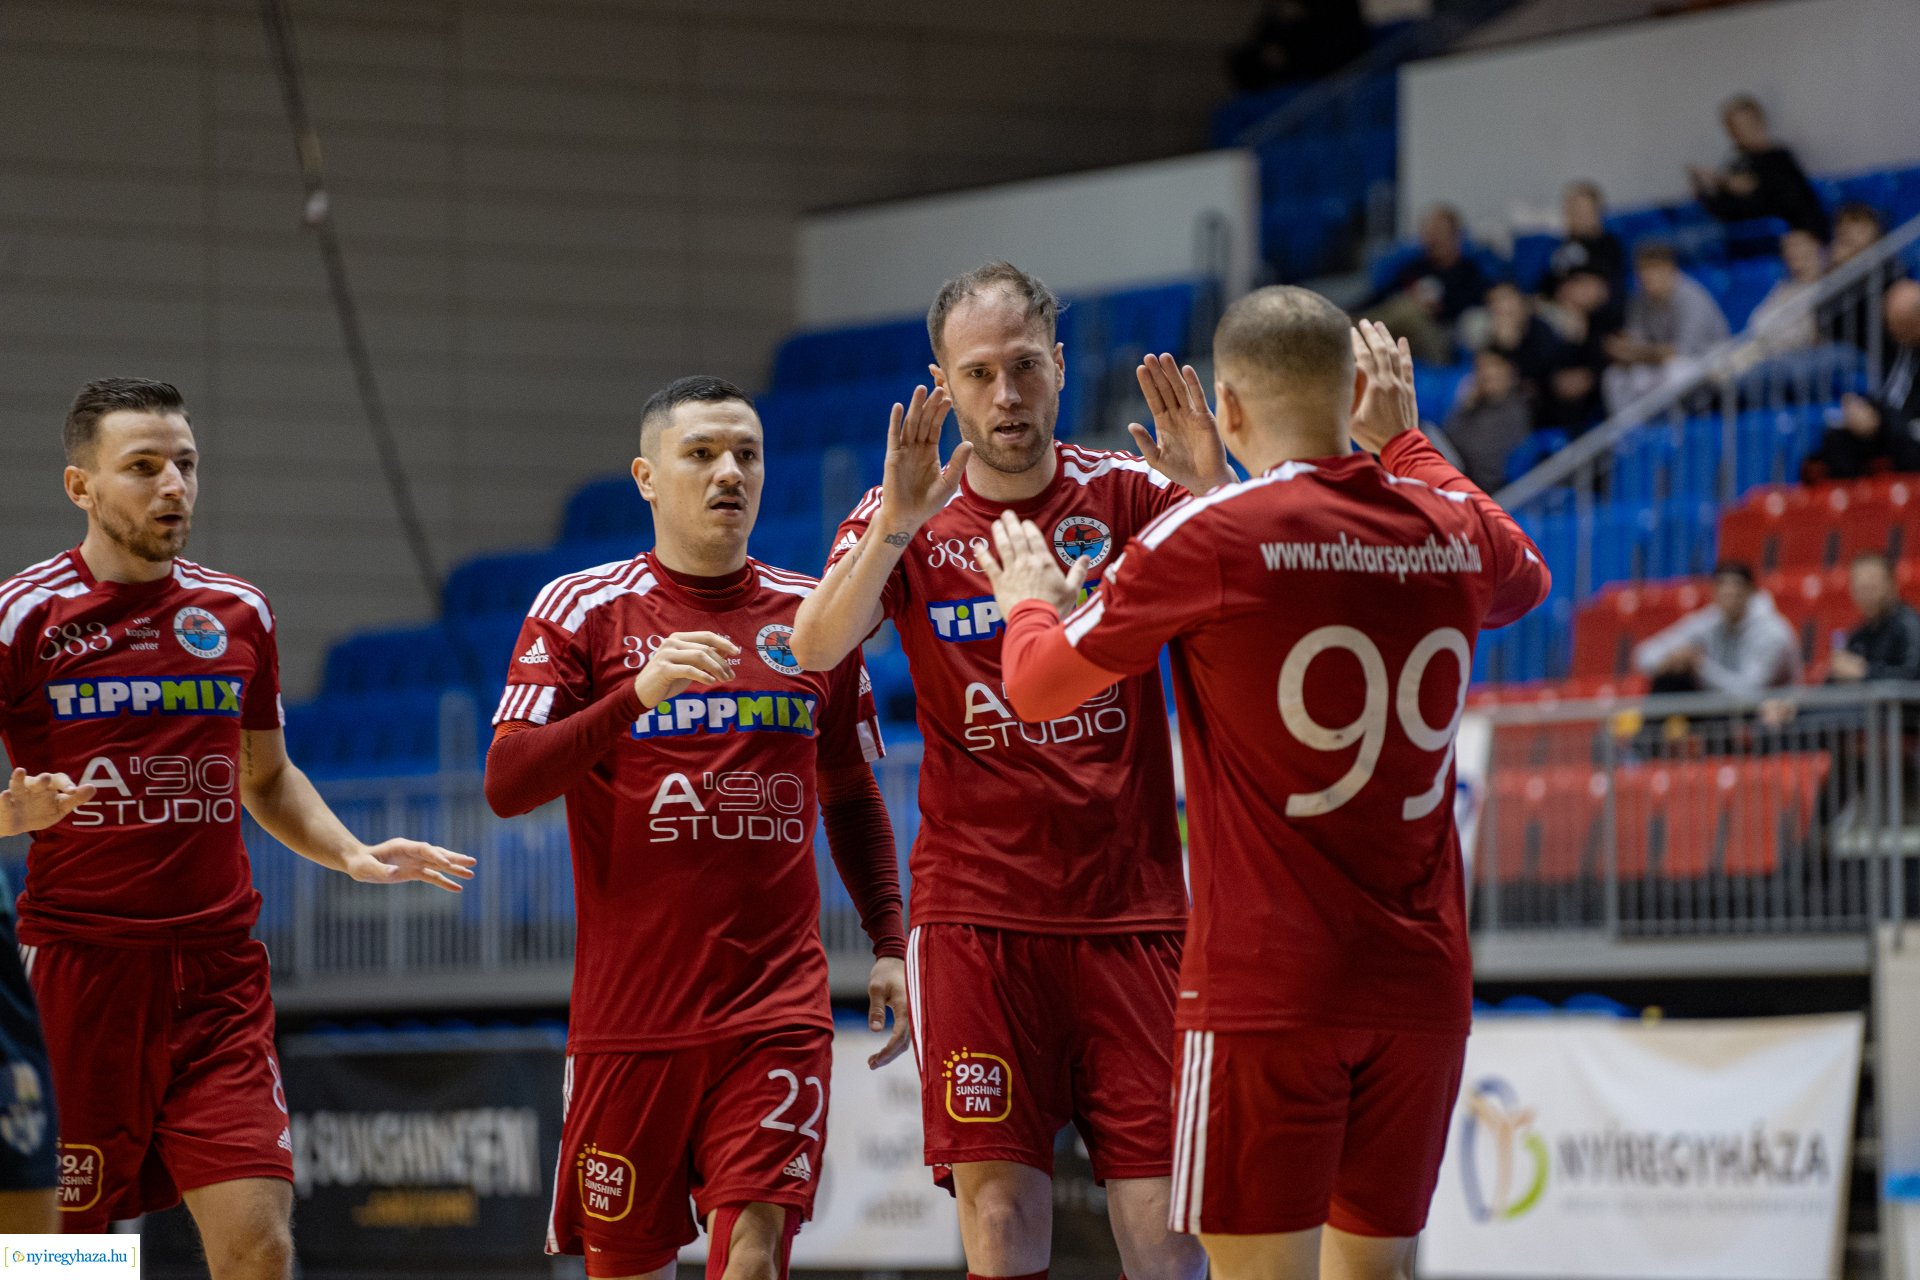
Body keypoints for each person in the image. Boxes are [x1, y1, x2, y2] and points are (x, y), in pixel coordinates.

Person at [975, 306, 1550, 1280]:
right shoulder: (1449, 528)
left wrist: (1029, 595)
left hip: (1266, 989)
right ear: (1359, 394)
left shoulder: (1214, 534)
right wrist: (1407, 441)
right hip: (1418, 981)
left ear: (1228, 406)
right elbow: (1523, 576)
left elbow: (1035, 687)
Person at [789, 261, 1224, 1280]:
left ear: (1060, 368)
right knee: (1000, 1219)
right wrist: (895, 523)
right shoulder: (902, 512)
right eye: (977, 374)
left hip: (1136, 912)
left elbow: (1255, 590)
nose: (1006, 395)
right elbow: (813, 644)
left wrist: (1214, 494)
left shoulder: (1126, 492)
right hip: (979, 919)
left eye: (1024, 366)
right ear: (942, 383)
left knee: (1167, 1230)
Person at [0, 379, 474, 1269]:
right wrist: (6, 816)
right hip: (80, 973)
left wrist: (352, 854)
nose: (173, 485)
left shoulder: (238, 612)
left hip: (218, 980)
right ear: (82, 488)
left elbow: (268, 776)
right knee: (63, 1257)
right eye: (143, 468)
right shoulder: (22, 616)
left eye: (185, 464)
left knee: (260, 1244)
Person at [482, 376, 908, 1280]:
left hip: (775, 1012)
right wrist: (633, 699)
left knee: (751, 1251)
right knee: (629, 1268)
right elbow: (508, 784)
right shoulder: (581, 610)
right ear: (646, 476)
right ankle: (89, 1259)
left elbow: (851, 790)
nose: (730, 474)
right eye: (703, 454)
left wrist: (891, 941)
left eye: (747, 455)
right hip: (632, 1022)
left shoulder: (813, 620)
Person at [1806, 280, 1920, 481]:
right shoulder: (1901, 347)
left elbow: (1909, 409)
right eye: (1891, 325)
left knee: (1906, 441)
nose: (1894, 332)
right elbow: (1889, 394)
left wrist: (1879, 417)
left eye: (1901, 325)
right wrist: (1864, 409)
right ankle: (1851, 508)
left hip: (1910, 429)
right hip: (1890, 426)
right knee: (1837, 438)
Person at [1632, 562, 1800, 696]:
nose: (1729, 595)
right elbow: (1644, 654)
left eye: (1736, 589)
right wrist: (1670, 660)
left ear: (1751, 592)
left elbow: (1750, 693)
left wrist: (1700, 667)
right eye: (1723, 589)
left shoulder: (1772, 633)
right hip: (1720, 704)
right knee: (1668, 680)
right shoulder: (1709, 620)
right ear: (1714, 593)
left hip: (1770, 710)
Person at [1602, 242, 1730, 414]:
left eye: (1654, 269)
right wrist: (1625, 350)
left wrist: (1632, 352)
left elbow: (1681, 350)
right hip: (1661, 362)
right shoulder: (1640, 299)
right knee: (1615, 377)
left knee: (1675, 371)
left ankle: (1678, 432)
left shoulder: (1691, 298)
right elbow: (1636, 340)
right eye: (1643, 271)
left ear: (1671, 270)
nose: (1647, 277)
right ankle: (1631, 435)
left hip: (1710, 364)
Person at [1686, 94, 1830, 239]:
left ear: (1758, 122)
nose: (1737, 133)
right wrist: (1703, 194)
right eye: (1732, 127)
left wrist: (1725, 182)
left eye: (1742, 126)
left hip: (1796, 238)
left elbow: (1779, 200)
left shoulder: (1779, 158)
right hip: (1750, 241)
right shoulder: (1737, 163)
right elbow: (1727, 210)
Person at [1363, 205, 1489, 366]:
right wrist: (1350, 311)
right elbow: (1381, 296)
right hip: (1402, 333)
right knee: (1400, 307)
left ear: (1455, 236)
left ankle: (1359, 329)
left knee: (1407, 309)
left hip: (1443, 340)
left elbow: (1474, 305)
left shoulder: (1468, 270)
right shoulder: (1417, 266)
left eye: (1438, 232)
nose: (1432, 238)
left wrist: (1437, 306)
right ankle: (1354, 326)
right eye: (1428, 232)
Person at [1442, 348, 1534, 490]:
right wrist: (1464, 409)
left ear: (1510, 371)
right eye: (1481, 367)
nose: (1487, 373)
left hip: (1486, 488)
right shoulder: (1473, 406)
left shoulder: (1517, 411)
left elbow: (1484, 458)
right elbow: (1447, 435)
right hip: (1456, 474)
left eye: (1494, 366)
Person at [1829, 553, 1920, 684]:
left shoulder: (1909, 625)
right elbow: (1834, 680)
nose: (1866, 593)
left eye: (1872, 585)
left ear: (1892, 584)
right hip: (1864, 704)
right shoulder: (1859, 635)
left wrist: (1865, 672)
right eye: (1860, 587)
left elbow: (1912, 675)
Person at [1540, 180, 1626, 301]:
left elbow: (1605, 287)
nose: (1576, 217)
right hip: (1556, 307)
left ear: (1597, 213)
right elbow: (1547, 283)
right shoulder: (1559, 246)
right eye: (1572, 211)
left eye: (1583, 211)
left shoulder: (1608, 245)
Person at [1747, 228, 1827, 354]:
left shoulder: (1829, 284)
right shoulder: (1783, 287)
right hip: (1767, 355)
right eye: (1786, 247)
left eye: (1796, 244)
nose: (1790, 252)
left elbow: (1808, 334)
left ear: (1815, 245)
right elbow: (1756, 323)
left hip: (1798, 357)